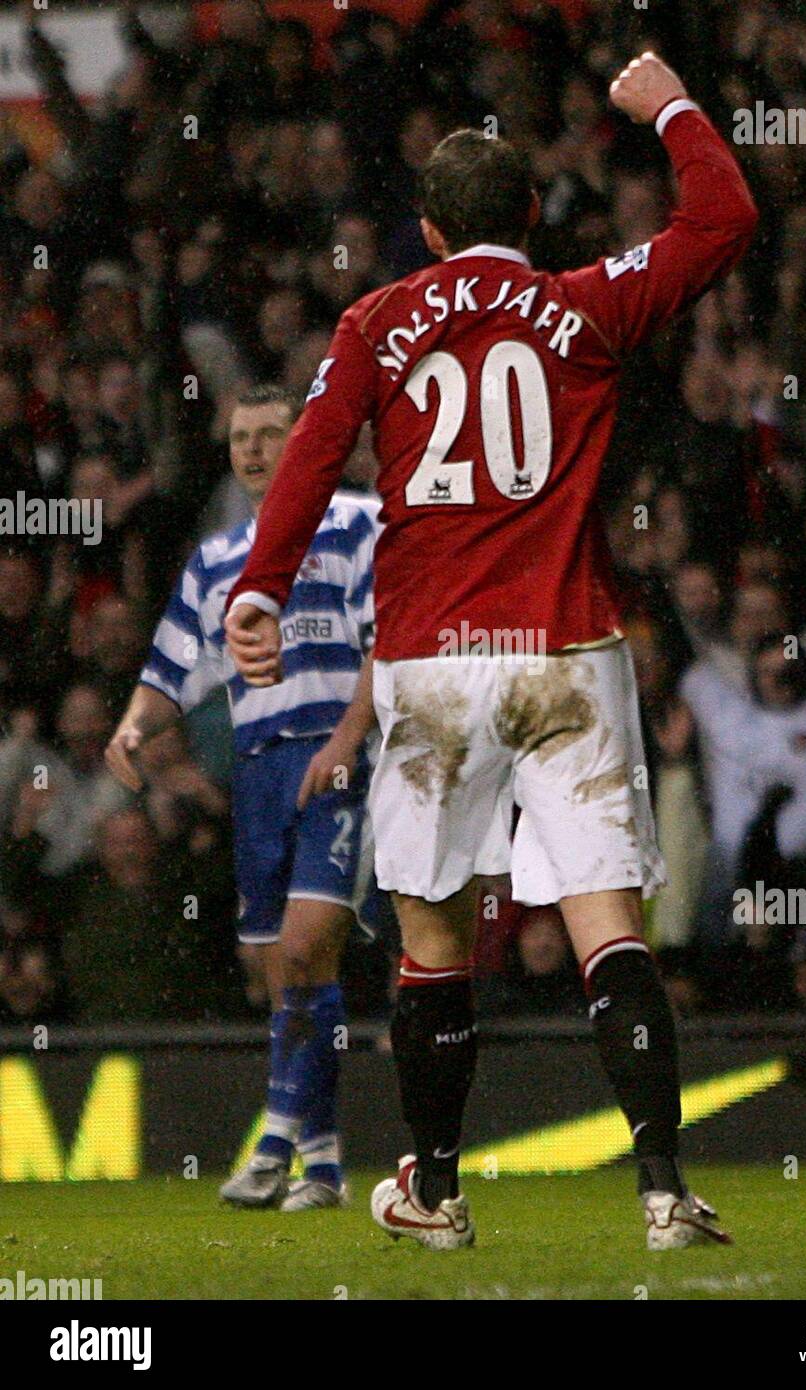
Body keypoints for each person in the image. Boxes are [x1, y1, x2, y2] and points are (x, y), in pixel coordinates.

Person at [224, 54, 758, 1251]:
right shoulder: (587, 302)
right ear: (530, 217)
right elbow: (726, 216)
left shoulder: (375, 320)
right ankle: (664, 1186)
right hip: (568, 643)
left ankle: (438, 1191)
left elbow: (309, 458)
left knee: (435, 938)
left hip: (431, 658)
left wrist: (260, 588)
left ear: (426, 229)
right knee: (606, 919)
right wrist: (666, 102)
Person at [105, 384, 380, 1212]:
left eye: (270, 434)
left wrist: (349, 743)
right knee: (283, 973)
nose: (255, 451)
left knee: (303, 950)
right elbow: (171, 670)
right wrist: (130, 729)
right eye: (239, 438)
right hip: (258, 772)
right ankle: (323, 1165)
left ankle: (270, 1145)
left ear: (305, 441)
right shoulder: (218, 559)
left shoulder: (360, 524)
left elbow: (390, 642)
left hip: (337, 759)